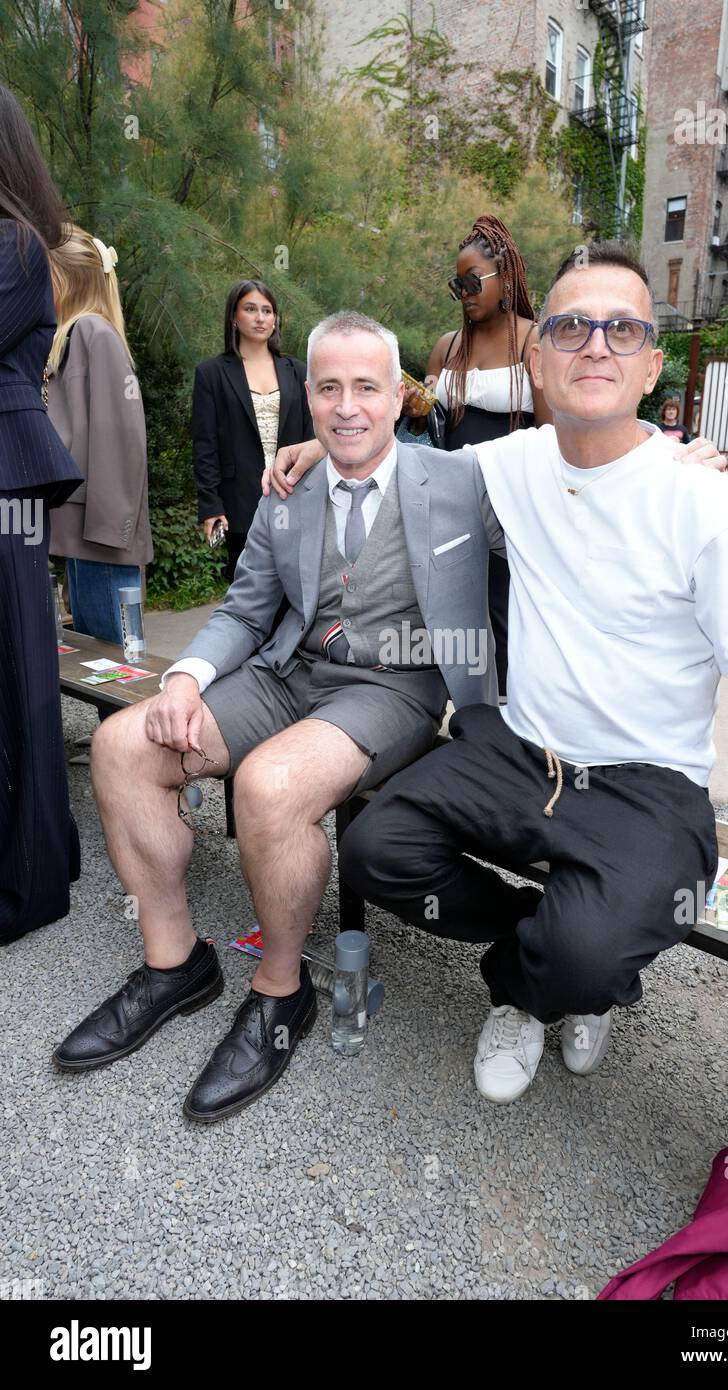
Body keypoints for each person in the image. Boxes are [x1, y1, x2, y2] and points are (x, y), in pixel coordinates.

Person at [337, 242, 728, 1105]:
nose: (595, 344)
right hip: (522, 755)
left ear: (653, 365)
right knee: (372, 848)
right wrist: (306, 457)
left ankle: (545, 982)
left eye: (622, 329)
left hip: (648, 786)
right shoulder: (509, 466)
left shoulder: (704, 500)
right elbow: (391, 466)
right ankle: (552, 950)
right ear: (538, 360)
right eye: (571, 326)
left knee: (585, 955)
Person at [53, 310, 504, 1122]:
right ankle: (175, 963)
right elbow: (246, 607)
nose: (347, 406)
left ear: (398, 395)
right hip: (288, 672)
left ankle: (280, 991)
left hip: (393, 688)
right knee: (123, 744)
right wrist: (186, 679)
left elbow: (576, 479)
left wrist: (669, 453)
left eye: (367, 386)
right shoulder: (286, 491)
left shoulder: (465, 480)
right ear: (309, 395)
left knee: (270, 786)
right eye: (328, 388)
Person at [402, 216, 551, 696]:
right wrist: (418, 411)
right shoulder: (446, 347)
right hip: (449, 501)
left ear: (505, 278)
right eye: (457, 285)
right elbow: (428, 429)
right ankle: (452, 707)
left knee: (505, 609)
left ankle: (510, 716)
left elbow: (549, 434)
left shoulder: (534, 341)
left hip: (511, 501)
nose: (464, 293)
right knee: (450, 609)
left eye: (473, 281)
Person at [0, 84, 83, 942]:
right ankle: (38, 858)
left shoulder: (18, 245)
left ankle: (28, 886)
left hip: (7, 480)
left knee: (21, 676)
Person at [47, 226, 152, 653]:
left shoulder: (93, 332)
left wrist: (111, 530)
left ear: (67, 278)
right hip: (85, 529)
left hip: (101, 533)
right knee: (96, 657)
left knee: (118, 662)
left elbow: (121, 436)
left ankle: (127, 723)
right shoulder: (75, 334)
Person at [192, 279, 315, 583]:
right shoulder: (211, 374)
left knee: (296, 589)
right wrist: (211, 506)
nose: (261, 318)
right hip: (240, 500)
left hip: (294, 494)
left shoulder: (298, 371)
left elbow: (314, 437)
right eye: (250, 309)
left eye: (267, 310)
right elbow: (205, 445)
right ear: (234, 316)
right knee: (249, 589)